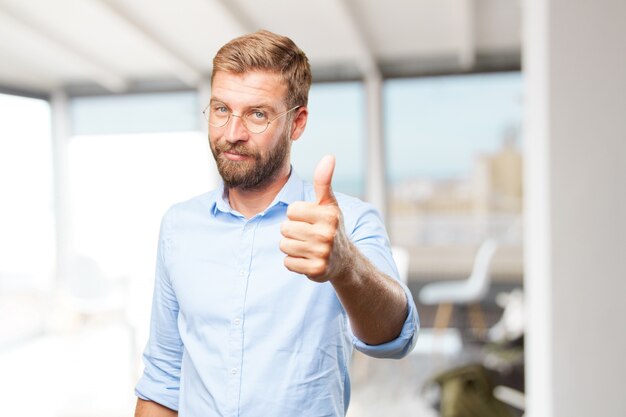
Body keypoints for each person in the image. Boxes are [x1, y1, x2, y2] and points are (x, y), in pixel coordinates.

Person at [134, 29, 418, 417]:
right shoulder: (179, 226)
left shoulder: (345, 223)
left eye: (257, 114)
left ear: (297, 123)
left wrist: (345, 266)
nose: (232, 134)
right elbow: (163, 377)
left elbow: (394, 338)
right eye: (221, 110)